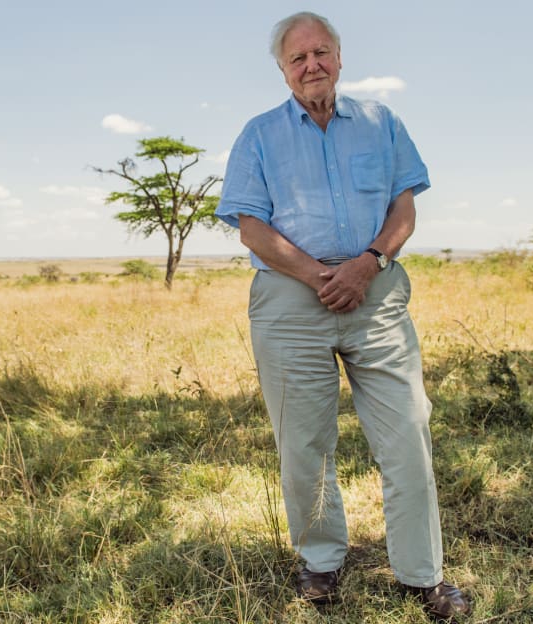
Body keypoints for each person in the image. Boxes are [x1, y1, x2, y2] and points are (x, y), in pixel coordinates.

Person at [214, 11, 471, 620]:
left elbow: (404, 209)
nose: (312, 66)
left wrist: (368, 264)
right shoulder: (258, 134)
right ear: (283, 71)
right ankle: (322, 562)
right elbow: (251, 226)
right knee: (305, 440)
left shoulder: (382, 123)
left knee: (407, 431)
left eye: (321, 52)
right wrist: (320, 276)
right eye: (298, 58)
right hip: (289, 301)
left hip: (374, 292)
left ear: (339, 57)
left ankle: (422, 575)